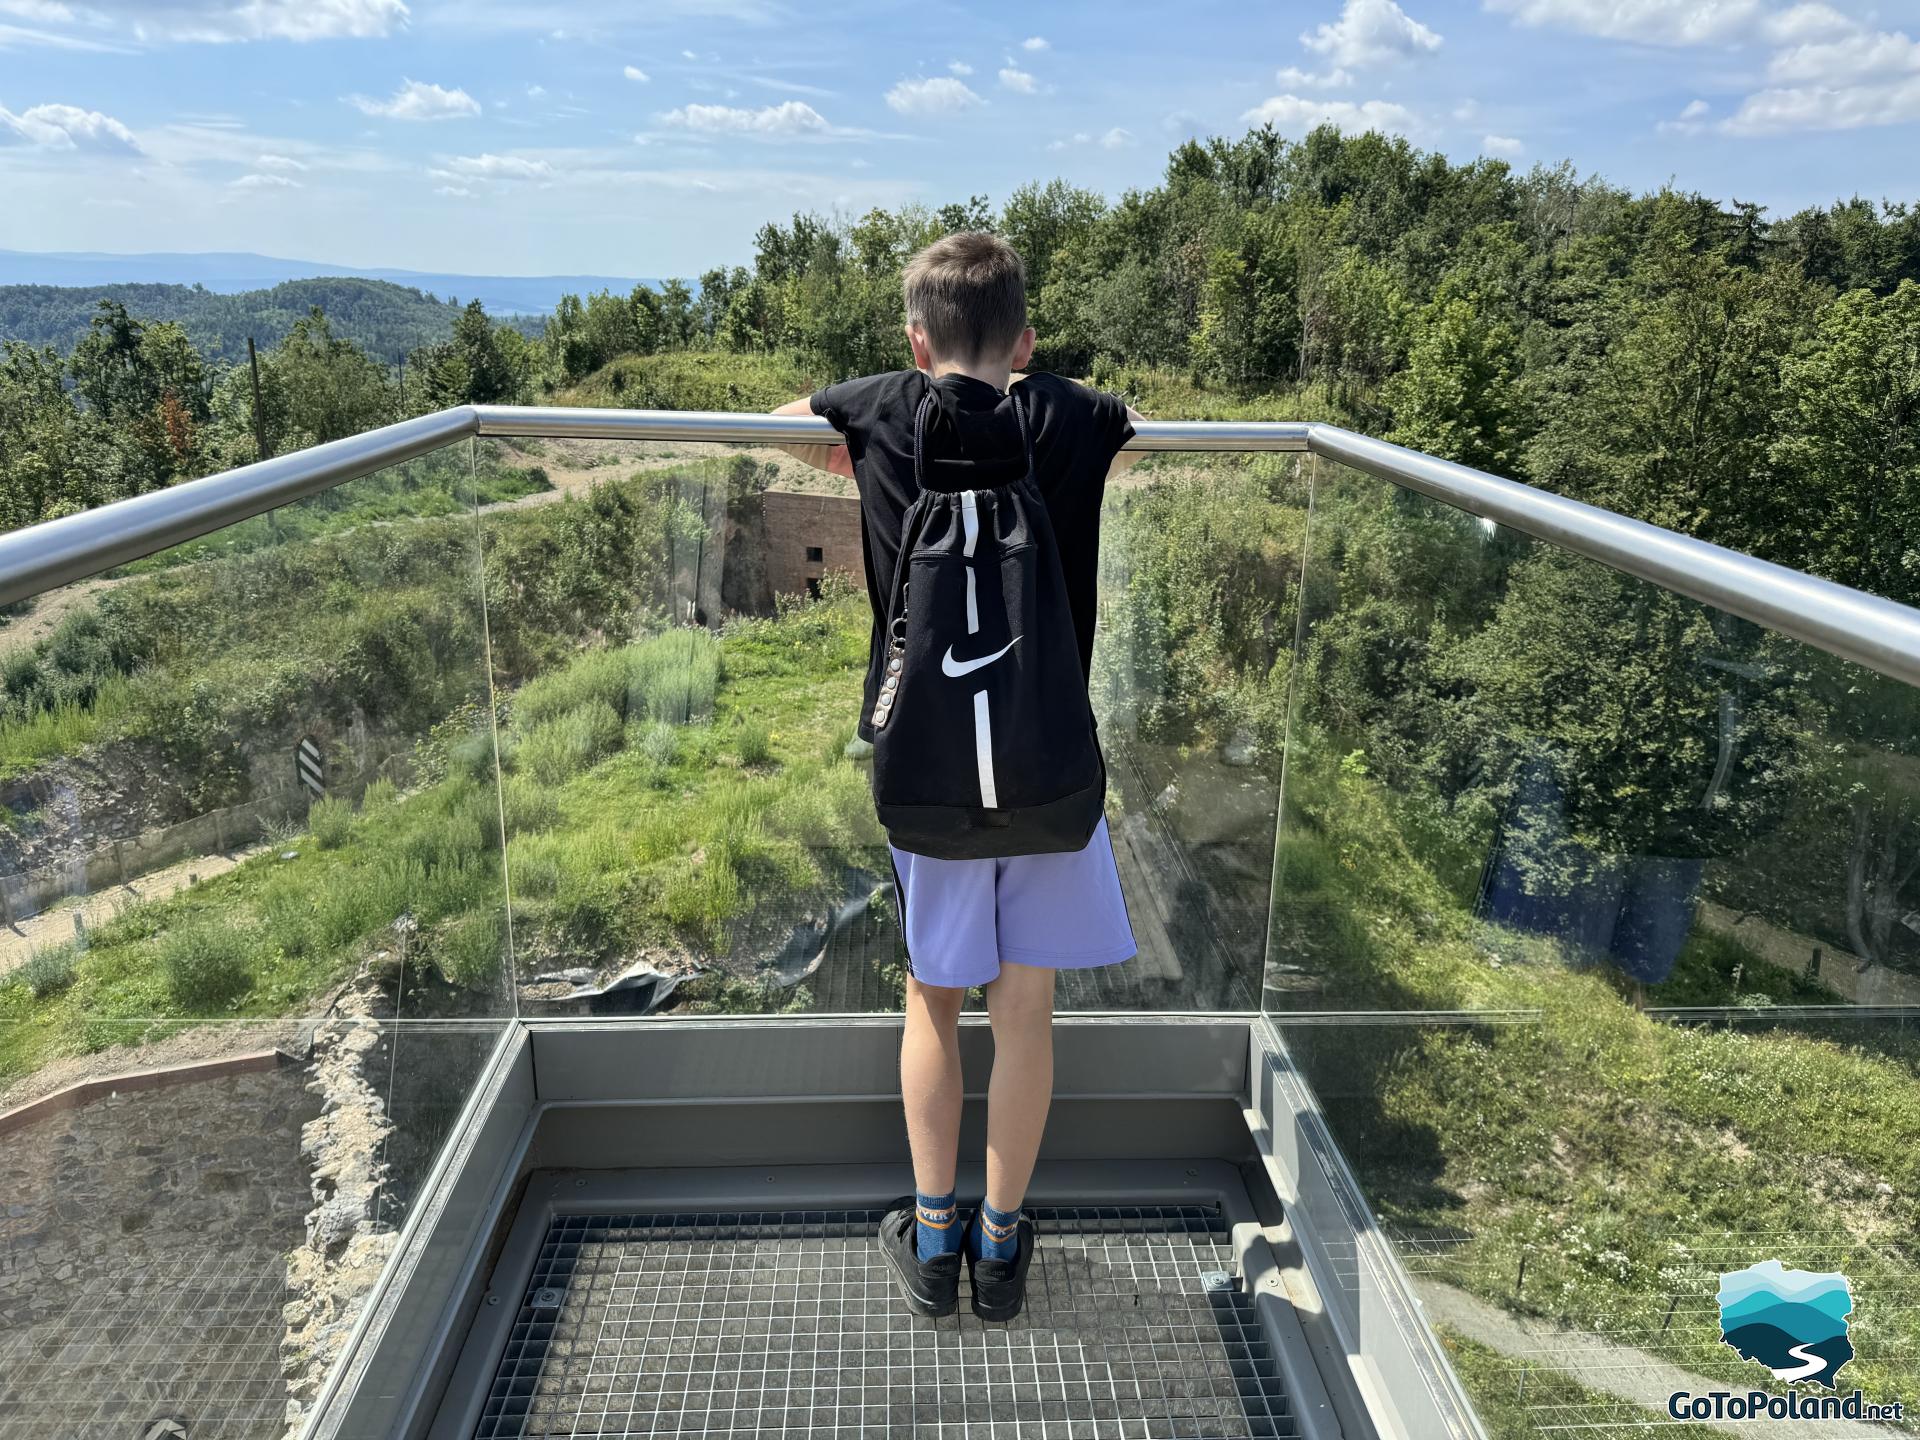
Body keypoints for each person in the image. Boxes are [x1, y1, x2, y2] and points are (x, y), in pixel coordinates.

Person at [772, 231, 1146, 1322]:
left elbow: (792, 429)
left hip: (930, 774)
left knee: (933, 1004)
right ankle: (1003, 1245)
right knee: (1023, 1009)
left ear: (914, 337)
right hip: (1048, 773)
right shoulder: (1068, 417)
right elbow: (1138, 434)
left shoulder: (885, 411)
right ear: (1025, 342)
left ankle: (934, 1249)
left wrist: (866, 428)